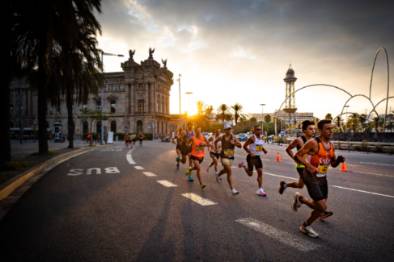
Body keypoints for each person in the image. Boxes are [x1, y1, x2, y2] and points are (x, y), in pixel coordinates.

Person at [293, 120, 345, 238]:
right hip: (310, 177)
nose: (330, 131)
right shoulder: (313, 142)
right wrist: (309, 166)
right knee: (322, 207)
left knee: (319, 207)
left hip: (322, 178)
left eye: (331, 129)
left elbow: (333, 164)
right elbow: (298, 156)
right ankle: (305, 226)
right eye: (328, 129)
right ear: (321, 130)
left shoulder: (331, 146)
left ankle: (301, 199)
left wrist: (338, 160)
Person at [279, 120, 315, 194]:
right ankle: (303, 200)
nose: (313, 131)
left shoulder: (313, 141)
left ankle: (285, 185)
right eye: (310, 129)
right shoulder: (299, 140)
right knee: (312, 184)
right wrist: (294, 158)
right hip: (302, 166)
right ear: (304, 130)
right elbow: (288, 149)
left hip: (310, 165)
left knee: (300, 185)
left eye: (314, 129)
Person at [239, 126, 268, 196]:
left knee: (260, 172)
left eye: (260, 129)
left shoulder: (261, 138)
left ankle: (260, 189)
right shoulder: (252, 138)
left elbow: (258, 146)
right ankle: (243, 166)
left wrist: (264, 150)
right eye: (258, 130)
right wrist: (250, 152)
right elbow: (245, 146)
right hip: (251, 158)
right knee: (250, 174)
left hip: (257, 157)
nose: (259, 131)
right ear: (254, 131)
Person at [215, 123, 242, 195]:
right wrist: (216, 150)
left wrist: (235, 143)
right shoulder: (222, 137)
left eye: (229, 129)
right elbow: (215, 141)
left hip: (231, 156)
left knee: (226, 170)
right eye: (227, 129)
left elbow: (240, 146)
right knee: (229, 171)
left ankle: (218, 175)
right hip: (223, 156)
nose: (229, 130)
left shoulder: (234, 137)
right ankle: (232, 189)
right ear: (225, 130)